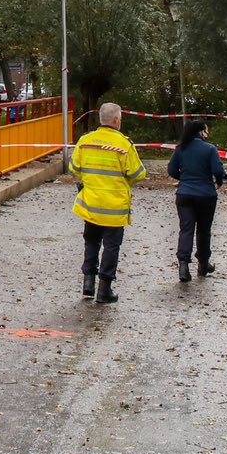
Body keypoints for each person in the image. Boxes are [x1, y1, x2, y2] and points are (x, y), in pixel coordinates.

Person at [72, 102, 148, 305]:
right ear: (116, 120)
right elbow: (138, 174)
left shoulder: (85, 141)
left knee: (91, 242)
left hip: (91, 206)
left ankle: (88, 282)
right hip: (114, 209)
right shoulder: (124, 145)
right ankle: (104, 289)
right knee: (111, 247)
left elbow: (74, 168)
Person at [166, 117, 227, 281]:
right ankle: (203, 264)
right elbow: (218, 170)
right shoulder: (210, 149)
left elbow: (171, 169)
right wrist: (219, 183)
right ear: (201, 132)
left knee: (186, 229)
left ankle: (184, 266)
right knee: (204, 230)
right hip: (206, 195)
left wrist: (184, 178)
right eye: (206, 130)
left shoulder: (180, 148)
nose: (207, 134)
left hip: (184, 194)